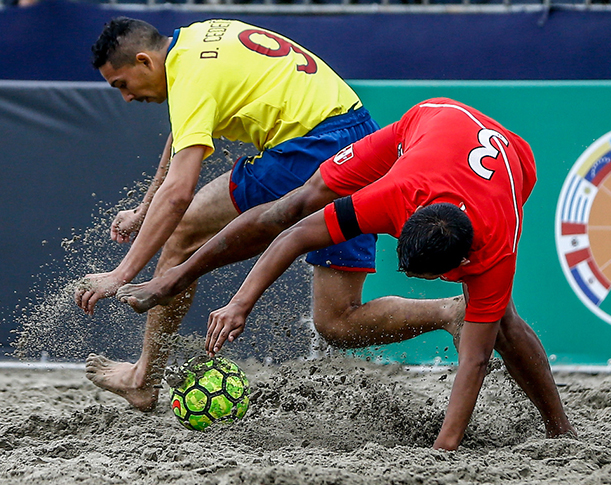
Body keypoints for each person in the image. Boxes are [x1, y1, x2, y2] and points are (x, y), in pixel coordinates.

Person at [121, 98, 576, 450]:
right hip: (428, 124)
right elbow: (295, 234)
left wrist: (444, 450)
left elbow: (474, 362)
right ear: (405, 220)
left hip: (512, 160)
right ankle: (175, 277)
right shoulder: (393, 195)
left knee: (502, 323)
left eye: (435, 277)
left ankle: (562, 432)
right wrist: (240, 302)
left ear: (462, 264)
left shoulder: (496, 249)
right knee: (295, 203)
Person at [73, 17, 380, 411]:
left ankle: (142, 380)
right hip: (359, 139)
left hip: (310, 149)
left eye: (123, 85)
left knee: (181, 232)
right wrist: (144, 207)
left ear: (144, 61)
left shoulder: (189, 73)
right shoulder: (200, 38)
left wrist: (121, 274)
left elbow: (179, 195)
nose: (127, 99)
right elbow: (184, 132)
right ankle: (449, 314)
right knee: (338, 321)